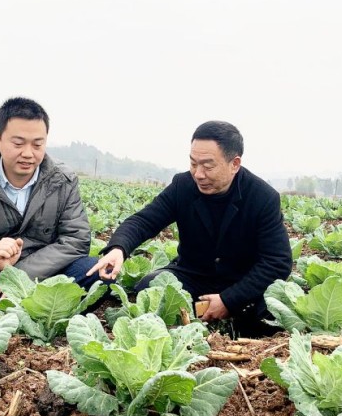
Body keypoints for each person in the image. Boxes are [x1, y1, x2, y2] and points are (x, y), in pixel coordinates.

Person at [87, 120, 292, 337]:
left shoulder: (262, 197)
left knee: (271, 311)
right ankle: (195, 320)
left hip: (241, 281)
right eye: (193, 164)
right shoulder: (182, 186)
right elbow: (144, 221)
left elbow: (277, 261)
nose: (198, 174)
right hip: (195, 275)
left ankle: (233, 322)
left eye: (208, 166)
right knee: (150, 287)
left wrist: (229, 300)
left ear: (235, 164)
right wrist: (118, 248)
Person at [0, 97, 100, 320]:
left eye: (38, 144)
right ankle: (43, 310)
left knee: (99, 272)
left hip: (45, 272)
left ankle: (27, 307)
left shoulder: (63, 181)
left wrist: (19, 275)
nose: (29, 153)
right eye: (18, 144)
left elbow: (76, 240)